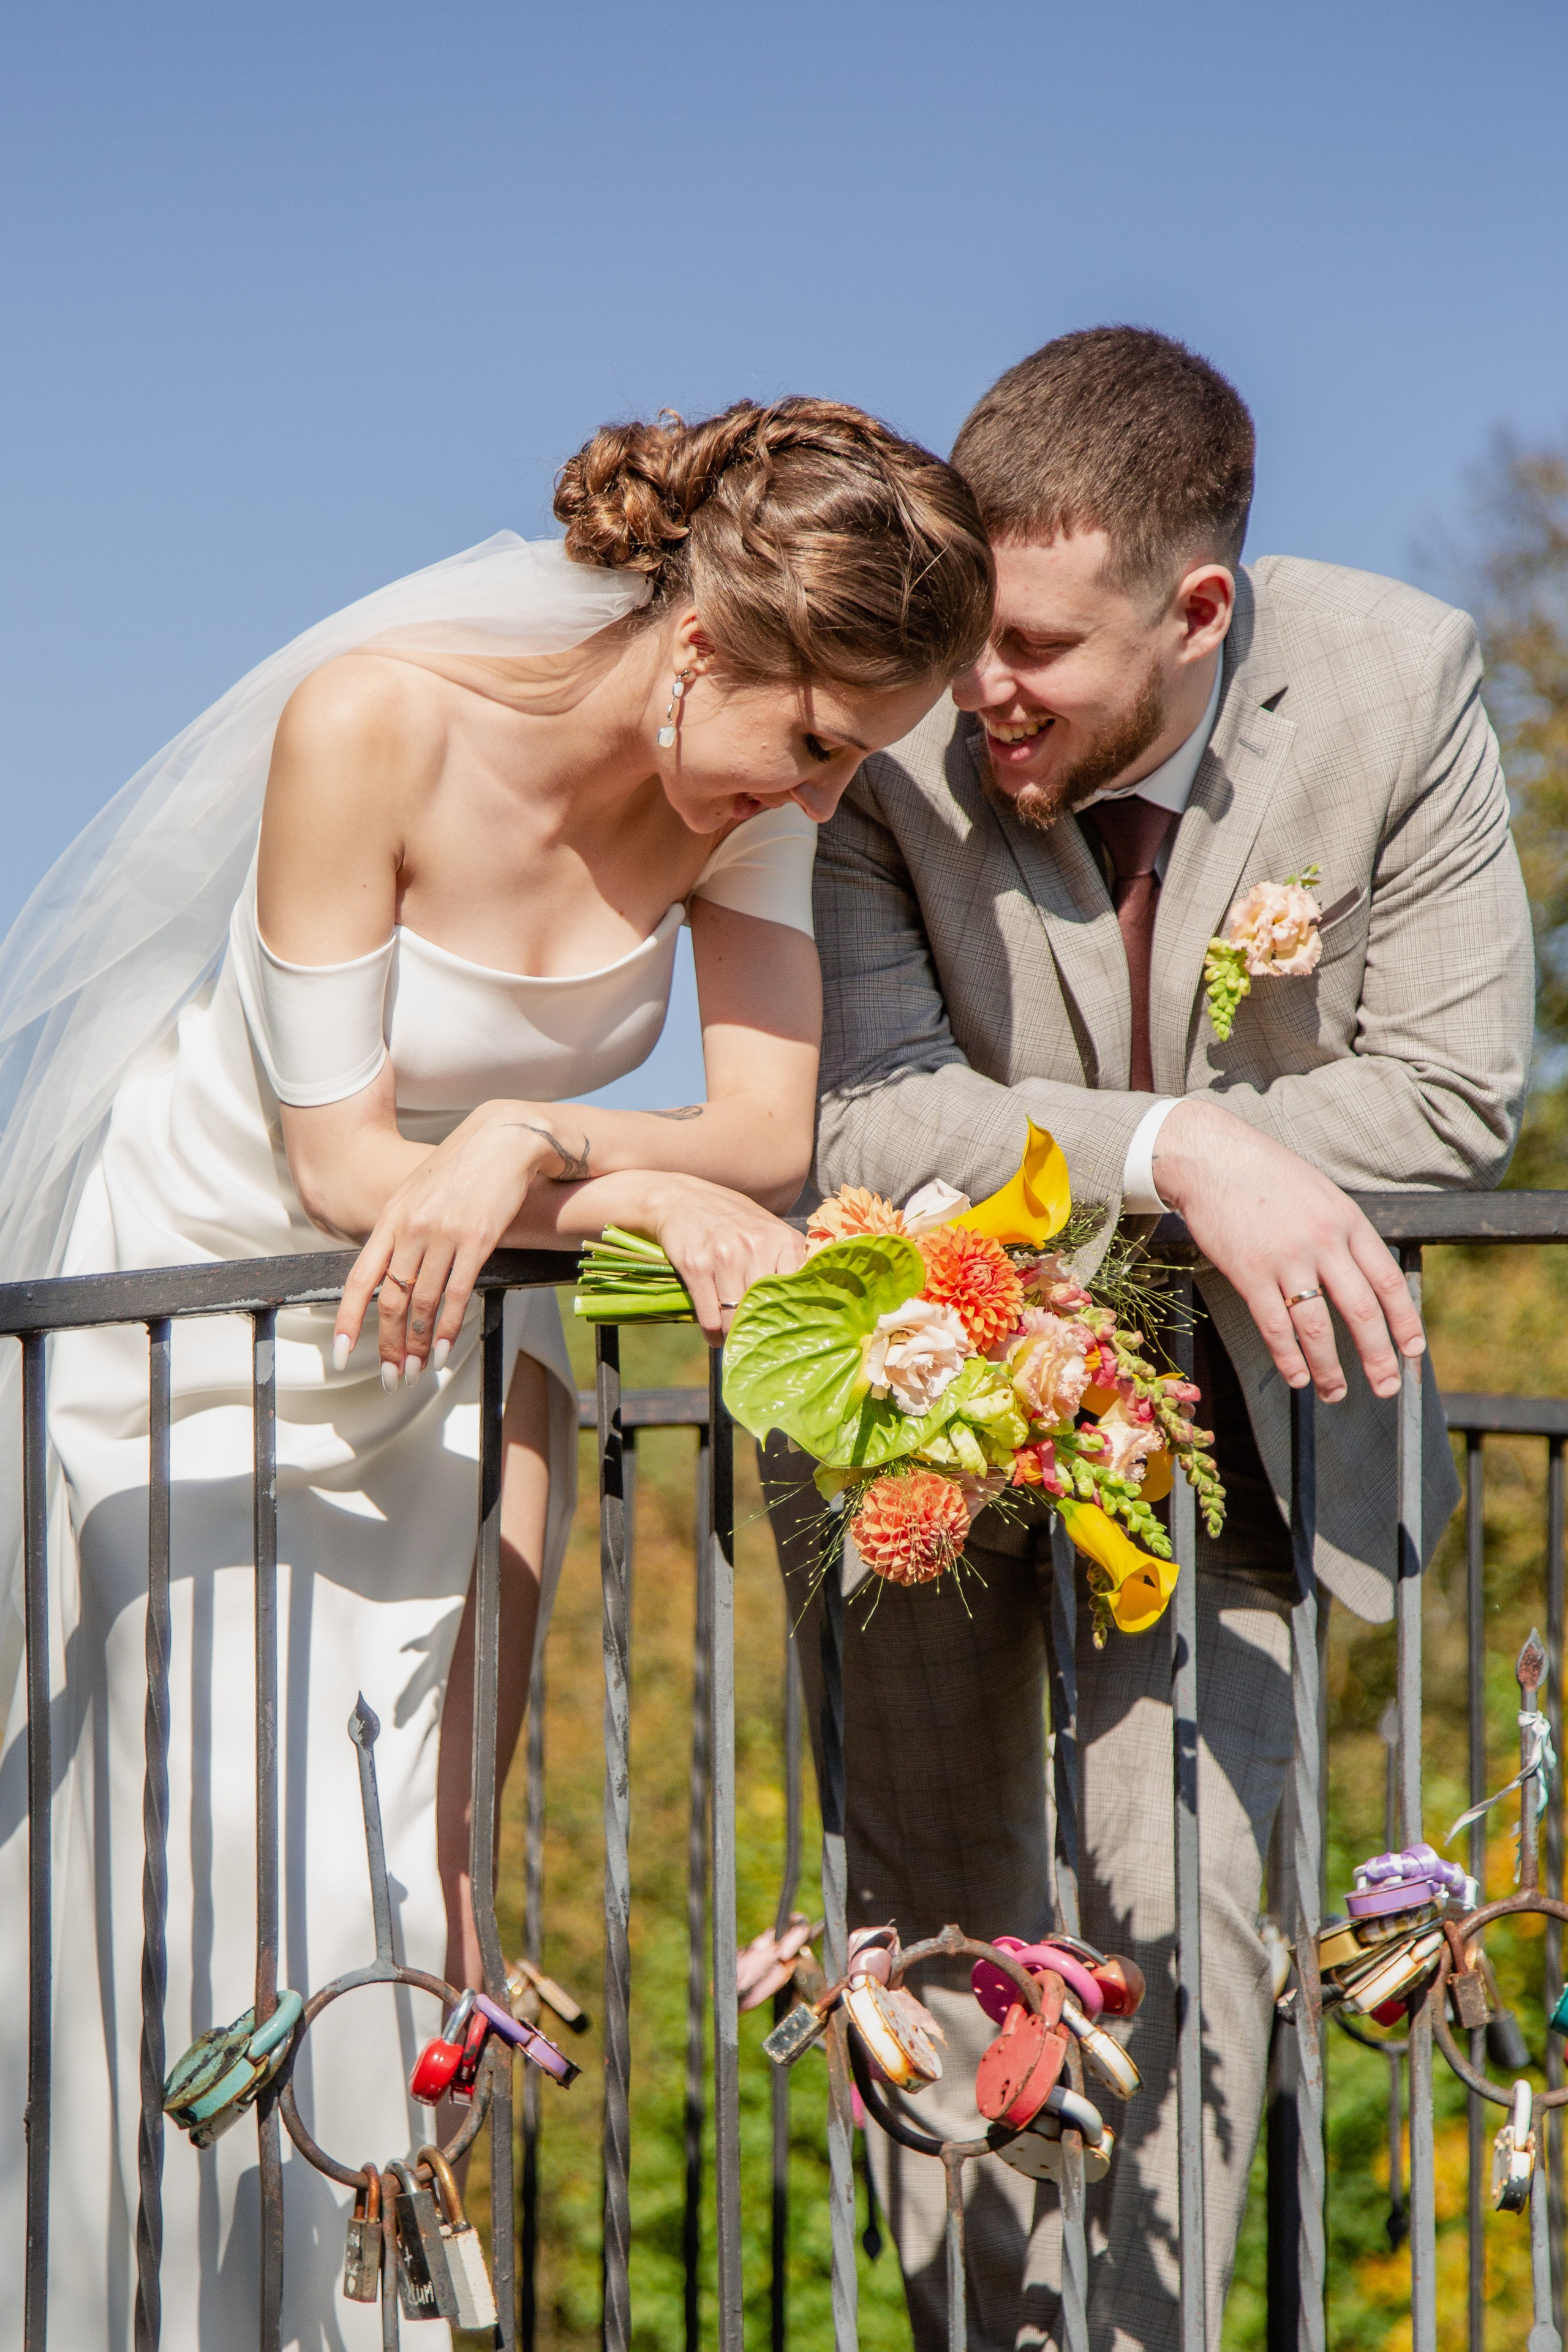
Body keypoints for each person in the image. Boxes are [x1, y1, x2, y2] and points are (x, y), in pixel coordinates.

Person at [0, 397, 994, 2350]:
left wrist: (530, 1145)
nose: (821, 802)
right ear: (704, 644)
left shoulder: (752, 806)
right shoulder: (369, 722)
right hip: (201, 1337)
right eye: (814, 745)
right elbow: (339, 1166)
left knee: (392, 1900)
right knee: (208, 1880)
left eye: (858, 763)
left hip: (451, 1342)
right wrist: (565, 1170)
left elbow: (767, 1141)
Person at [764, 330, 1534, 2350]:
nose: (980, 688)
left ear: (1200, 614)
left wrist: (1218, 1180)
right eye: (970, 641)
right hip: (917, 1409)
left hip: (1240, 1424)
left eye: (1038, 646)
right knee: (929, 1917)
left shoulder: (1394, 684)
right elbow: (867, 1111)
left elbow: (1456, 1089)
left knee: (1182, 1911)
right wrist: (1193, 1150)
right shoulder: (904, 735)